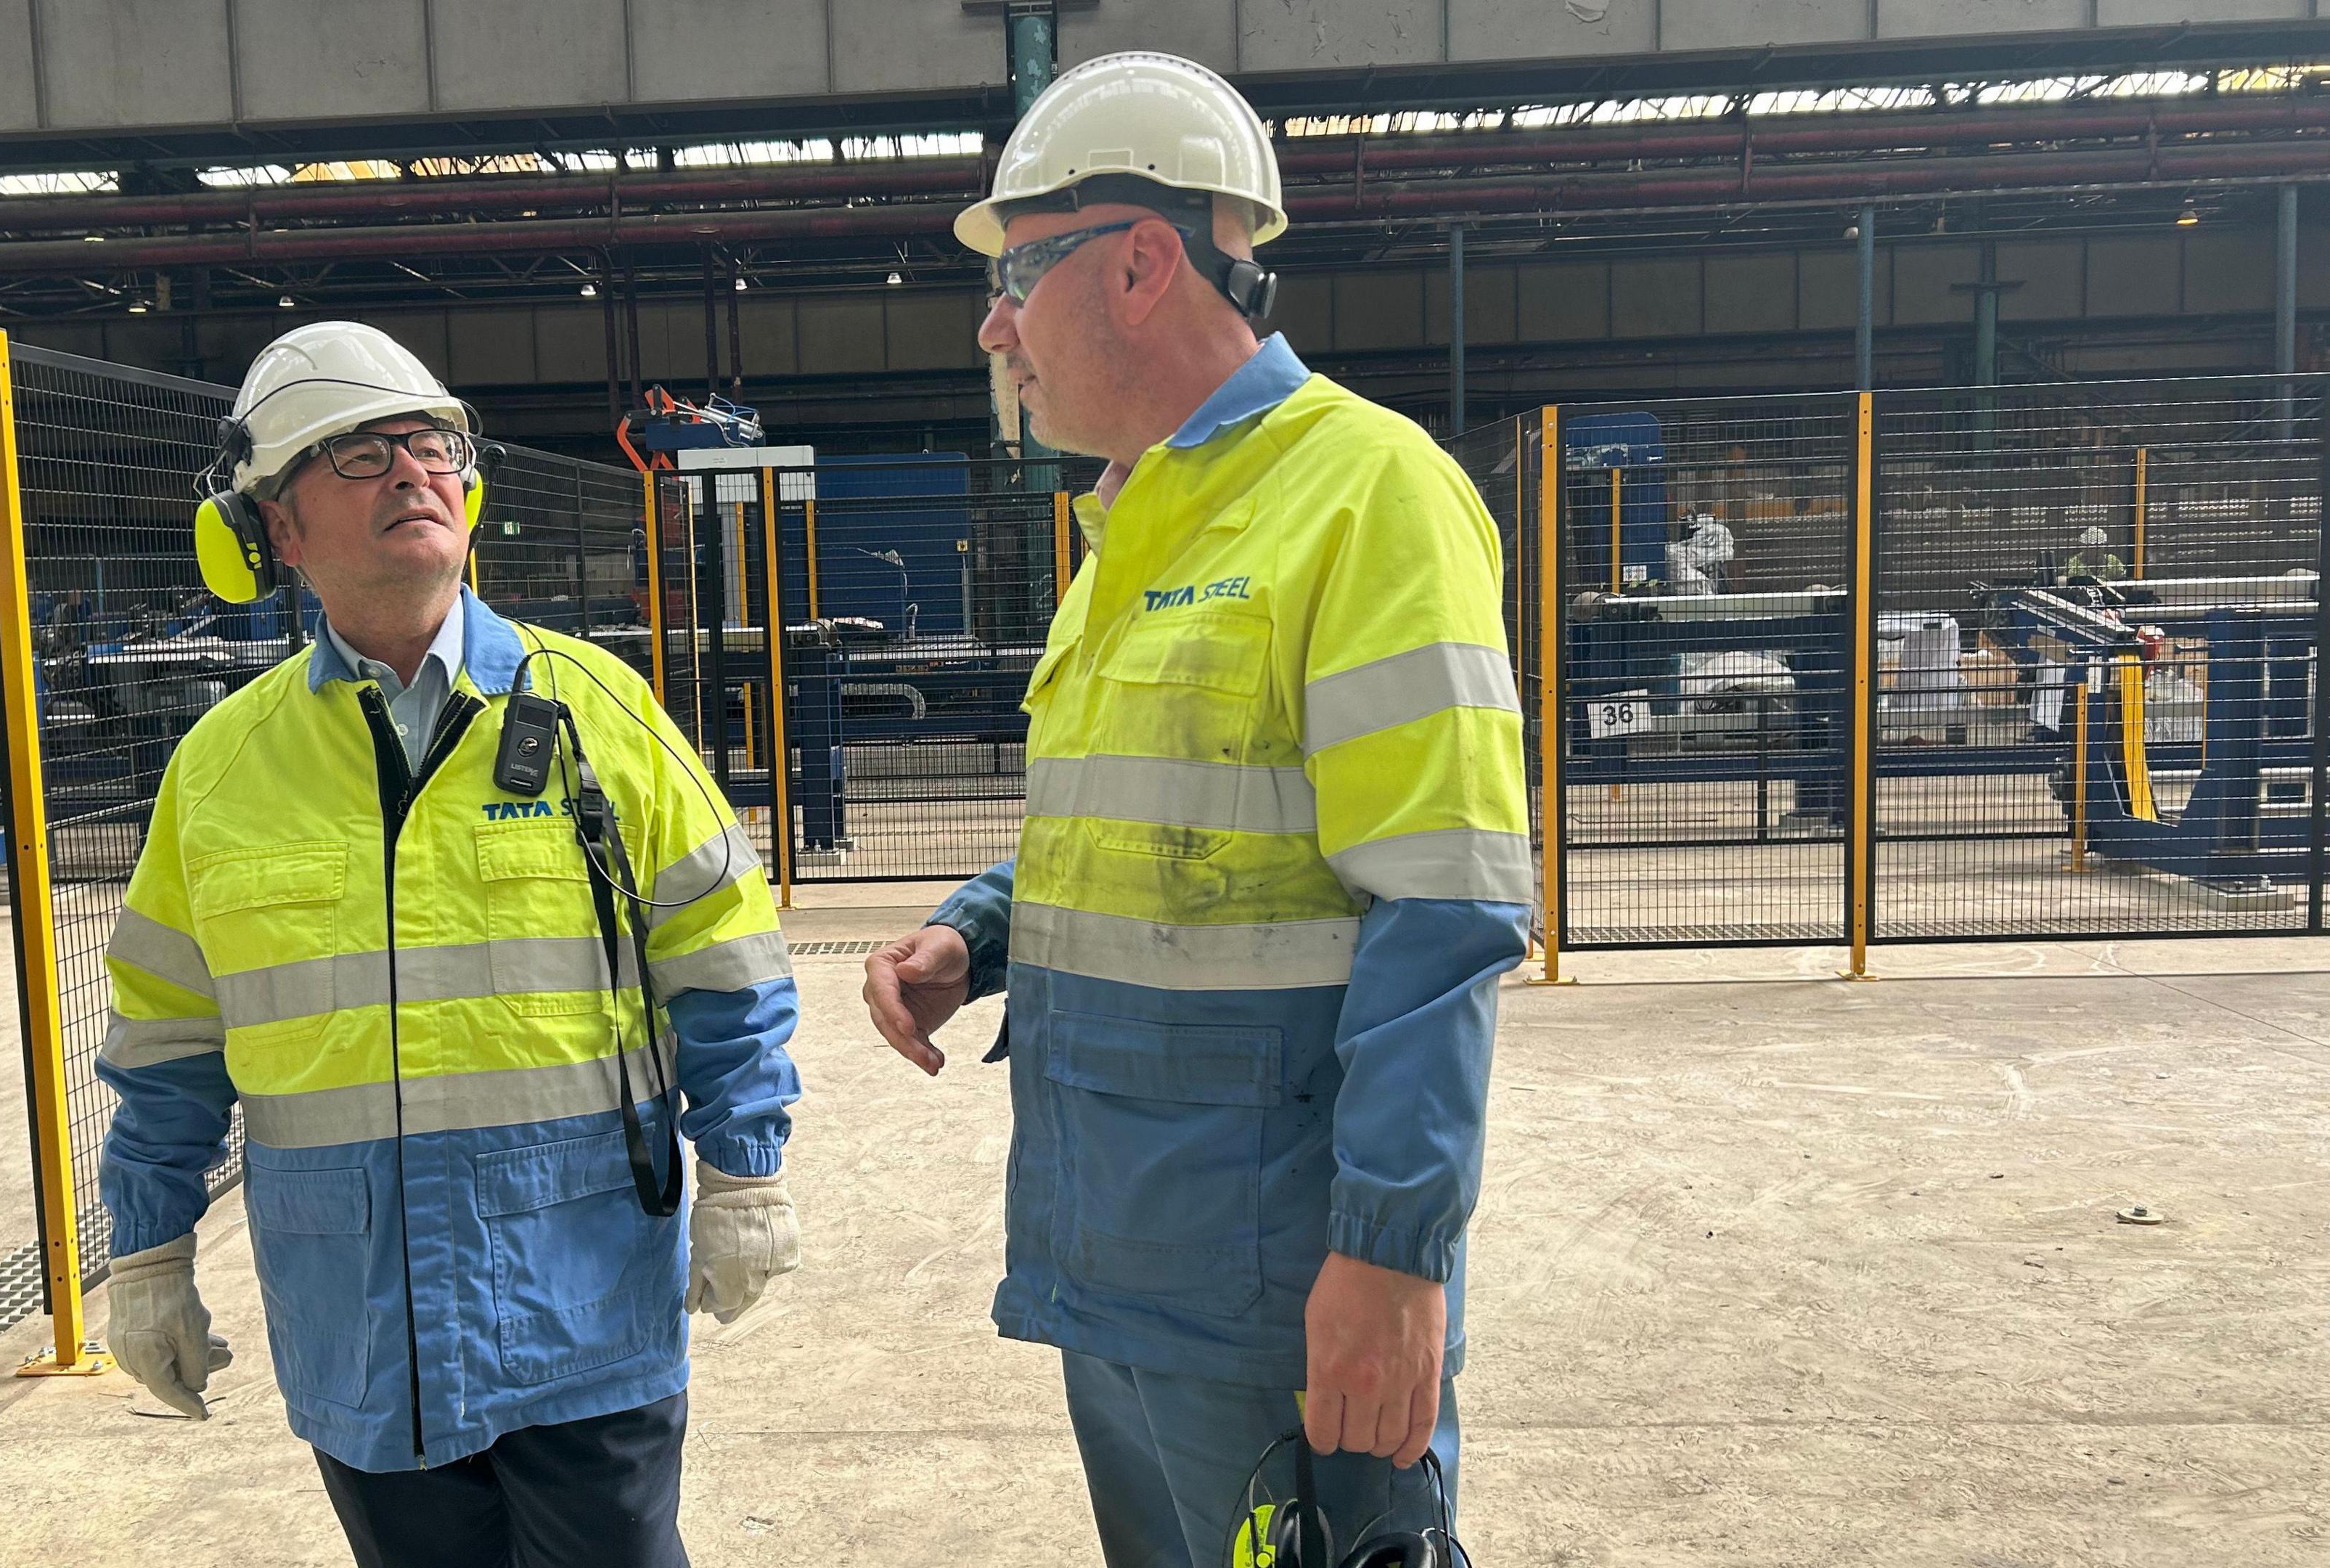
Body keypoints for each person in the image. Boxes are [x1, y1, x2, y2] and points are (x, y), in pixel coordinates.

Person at [860, 50, 1530, 1567]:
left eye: (1016, 273)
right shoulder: (1137, 518)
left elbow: (1446, 902)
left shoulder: (1367, 494)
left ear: (1144, 263)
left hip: (1280, 1288)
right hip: (1125, 1256)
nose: (994, 323)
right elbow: (1156, 828)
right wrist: (978, 930)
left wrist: (1391, 1257)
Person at [94, 321, 801, 1568]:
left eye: (434, 446)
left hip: (579, 1299)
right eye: (359, 455)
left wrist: (745, 1172)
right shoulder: (222, 773)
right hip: (361, 1324)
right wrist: (147, 1251)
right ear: (278, 529)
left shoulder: (597, 711)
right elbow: (167, 1038)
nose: (415, 472)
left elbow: (723, 952)